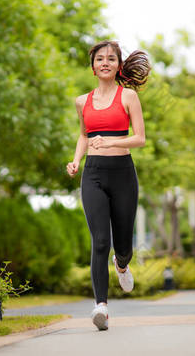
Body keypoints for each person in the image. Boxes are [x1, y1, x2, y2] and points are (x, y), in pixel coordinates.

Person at [66, 40, 150, 331]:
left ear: (118, 66)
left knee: (123, 243)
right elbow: (83, 136)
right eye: (99, 58)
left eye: (111, 58)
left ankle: (122, 264)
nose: (105, 62)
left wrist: (112, 141)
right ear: (92, 67)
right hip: (94, 174)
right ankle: (100, 306)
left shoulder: (128, 96)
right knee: (100, 241)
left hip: (123, 173)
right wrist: (76, 160)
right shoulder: (82, 101)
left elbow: (140, 138)